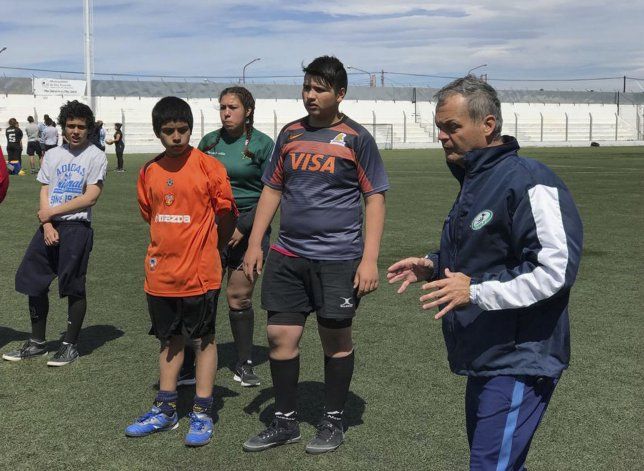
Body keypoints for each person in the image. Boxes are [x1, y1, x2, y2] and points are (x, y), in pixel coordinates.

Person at [387, 75, 583, 471]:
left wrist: (474, 291)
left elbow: (554, 270)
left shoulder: (529, 180)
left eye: (452, 127)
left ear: (488, 124)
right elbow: (486, 253)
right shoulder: (476, 182)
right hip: (487, 353)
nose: (442, 136)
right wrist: (432, 264)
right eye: (440, 127)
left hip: (520, 357)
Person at [242, 56, 389, 454]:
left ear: (340, 93)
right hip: (287, 255)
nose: (310, 95)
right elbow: (272, 188)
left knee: (335, 339)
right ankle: (285, 422)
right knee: (279, 336)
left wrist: (369, 259)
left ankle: (333, 420)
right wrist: (255, 243)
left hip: (339, 259)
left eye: (320, 89)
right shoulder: (289, 134)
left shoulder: (356, 138)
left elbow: (374, 197)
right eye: (307, 87)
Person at [125, 97, 237, 447]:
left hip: (200, 274)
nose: (176, 136)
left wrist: (212, 249)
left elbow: (226, 215)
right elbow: (151, 214)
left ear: (191, 129)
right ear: (157, 133)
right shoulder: (149, 171)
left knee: (203, 340)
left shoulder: (208, 167)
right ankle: (166, 409)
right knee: (169, 340)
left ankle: (202, 411)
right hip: (160, 274)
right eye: (168, 131)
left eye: (182, 130)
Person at [178, 86, 275, 388]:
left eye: (233, 107)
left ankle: (244, 364)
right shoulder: (209, 142)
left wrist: (242, 226)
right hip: (211, 225)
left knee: (239, 295)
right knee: (201, 294)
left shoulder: (263, 144)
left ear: (248, 111)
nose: (226, 113)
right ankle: (189, 363)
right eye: (222, 107)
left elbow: (273, 191)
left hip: (251, 226)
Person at [3, 100, 107, 366]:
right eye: (70, 126)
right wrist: (47, 223)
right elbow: (45, 189)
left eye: (80, 126)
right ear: (62, 127)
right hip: (49, 225)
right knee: (32, 279)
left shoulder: (95, 155)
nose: (75, 131)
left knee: (73, 285)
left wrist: (52, 212)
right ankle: (37, 343)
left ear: (88, 128)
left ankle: (69, 345)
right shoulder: (52, 155)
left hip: (76, 227)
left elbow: (91, 197)